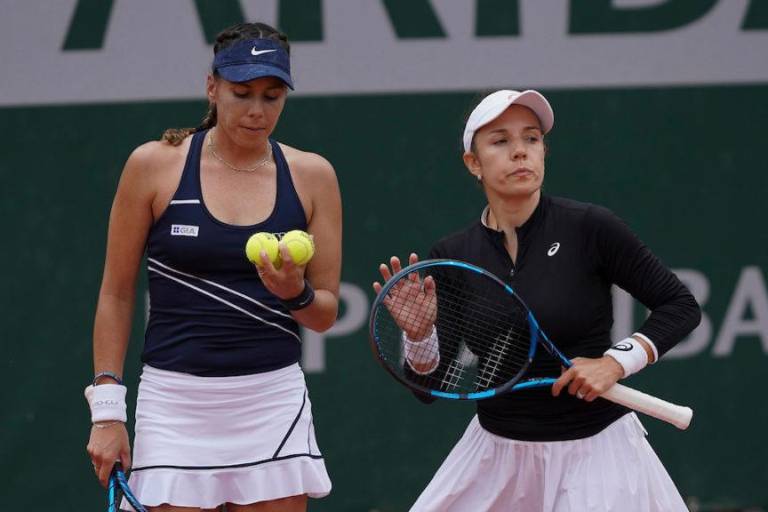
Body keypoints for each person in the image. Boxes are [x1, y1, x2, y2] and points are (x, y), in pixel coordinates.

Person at [373, 89, 700, 512]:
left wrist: (616, 362)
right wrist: (419, 338)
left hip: (598, 455)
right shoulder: (453, 256)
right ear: (474, 163)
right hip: (497, 457)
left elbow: (679, 305)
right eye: (501, 141)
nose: (520, 153)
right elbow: (432, 388)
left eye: (531, 139)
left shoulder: (590, 227)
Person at [85, 22, 342, 512]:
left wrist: (295, 293)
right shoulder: (152, 166)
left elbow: (324, 314)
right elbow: (116, 293)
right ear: (212, 87)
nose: (256, 110)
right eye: (241, 92)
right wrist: (107, 412)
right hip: (174, 403)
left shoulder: (314, 176)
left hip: (272, 400)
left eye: (272, 95)